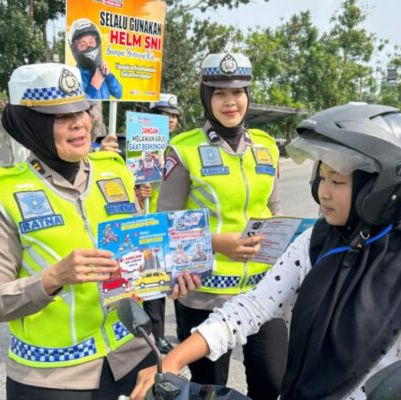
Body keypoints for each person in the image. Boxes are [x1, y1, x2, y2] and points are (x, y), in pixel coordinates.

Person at [131, 103, 401, 400]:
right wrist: (175, 358)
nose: (324, 194)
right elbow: (253, 306)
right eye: (322, 178)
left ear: (382, 188)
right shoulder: (317, 241)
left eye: (337, 182)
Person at [0, 63, 199, 400]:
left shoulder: (114, 171)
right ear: (31, 124)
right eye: (61, 116)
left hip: (134, 361)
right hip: (53, 379)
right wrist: (53, 278)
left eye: (83, 109)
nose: (79, 122)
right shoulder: (3, 194)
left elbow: (141, 261)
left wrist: (170, 273)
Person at [152, 52, 287, 400]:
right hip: (204, 297)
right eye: (220, 93)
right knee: (211, 392)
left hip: (263, 293)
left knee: (272, 383)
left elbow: (274, 211)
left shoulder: (266, 147)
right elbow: (163, 226)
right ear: (206, 98)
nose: (231, 101)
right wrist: (214, 242)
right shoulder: (183, 151)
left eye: (238, 92)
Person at [138, 93, 182, 354]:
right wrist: (136, 192)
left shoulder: (178, 147)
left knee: (179, 280)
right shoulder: (139, 147)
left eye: (174, 115)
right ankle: (157, 335)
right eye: (165, 115)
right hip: (150, 223)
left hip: (175, 223)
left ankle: (183, 330)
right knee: (154, 282)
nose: (171, 120)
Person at [69, 18, 122, 100]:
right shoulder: (75, 76)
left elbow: (118, 93)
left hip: (101, 112)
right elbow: (77, 107)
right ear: (75, 48)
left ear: (97, 42)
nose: (89, 47)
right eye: (83, 44)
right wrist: (93, 87)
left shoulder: (101, 69)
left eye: (91, 42)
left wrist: (109, 76)